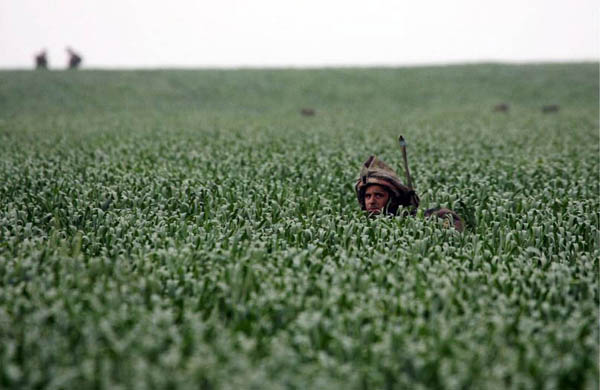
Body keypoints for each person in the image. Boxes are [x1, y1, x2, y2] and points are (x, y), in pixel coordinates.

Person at [355, 155, 465, 232]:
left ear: (393, 199)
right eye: (367, 196)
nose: (372, 201)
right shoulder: (359, 227)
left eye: (379, 195)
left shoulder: (414, 220)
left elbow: (449, 218)